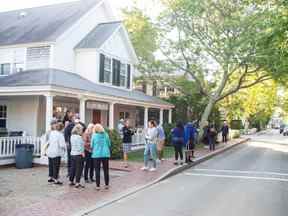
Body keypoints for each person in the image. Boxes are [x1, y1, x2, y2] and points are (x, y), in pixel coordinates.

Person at [91, 124, 111, 190]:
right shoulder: (106, 135)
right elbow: (109, 144)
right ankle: (107, 185)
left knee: (97, 170)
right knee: (106, 170)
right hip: (105, 154)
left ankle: (98, 186)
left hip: (96, 155)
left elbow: (92, 145)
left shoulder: (94, 136)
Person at [47, 120, 66, 185]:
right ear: (62, 128)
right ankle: (55, 179)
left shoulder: (51, 133)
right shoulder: (60, 135)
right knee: (56, 166)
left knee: (51, 165)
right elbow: (62, 145)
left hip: (50, 151)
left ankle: (50, 177)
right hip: (56, 152)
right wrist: (65, 148)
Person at [69, 124, 85, 188]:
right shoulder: (79, 137)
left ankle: (71, 180)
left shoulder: (72, 136)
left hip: (72, 154)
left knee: (73, 168)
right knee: (79, 169)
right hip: (78, 155)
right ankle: (77, 183)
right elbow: (80, 147)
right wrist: (82, 153)